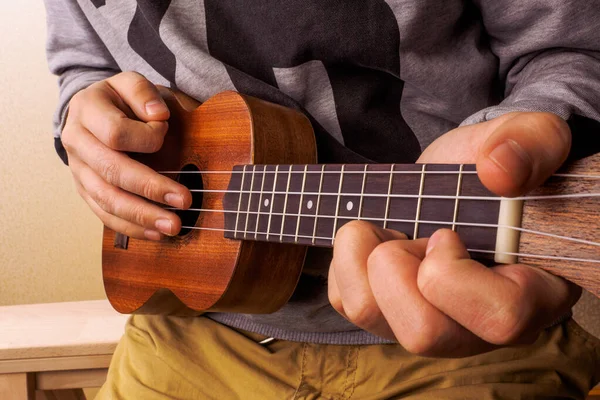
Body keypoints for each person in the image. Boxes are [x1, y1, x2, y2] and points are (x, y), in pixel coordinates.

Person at [44, 0, 600, 398]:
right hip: (185, 331)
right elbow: (85, 65)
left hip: (466, 338)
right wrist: (81, 123)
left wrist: (525, 136)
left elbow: (574, 50)